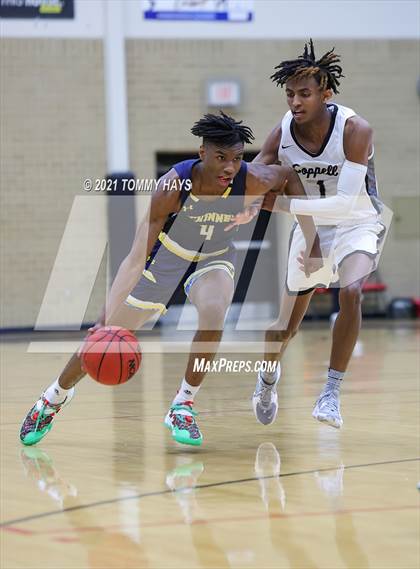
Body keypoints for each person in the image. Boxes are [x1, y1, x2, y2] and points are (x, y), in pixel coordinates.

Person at [20, 111, 320, 448]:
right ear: (201, 153)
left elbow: (288, 176)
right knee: (105, 339)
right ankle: (52, 398)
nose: (229, 168)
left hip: (215, 255)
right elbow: (135, 259)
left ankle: (183, 405)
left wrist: (311, 241)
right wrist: (105, 317)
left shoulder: (250, 178)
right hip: (168, 257)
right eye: (221, 158)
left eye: (236, 159)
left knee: (214, 312)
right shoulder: (172, 187)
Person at [252, 40, 385, 429]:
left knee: (351, 291)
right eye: (290, 93)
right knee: (284, 327)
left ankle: (330, 392)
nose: (295, 101)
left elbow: (345, 205)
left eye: (304, 93)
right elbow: (259, 168)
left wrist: (277, 206)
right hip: (310, 226)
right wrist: (240, 195)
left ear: (326, 94)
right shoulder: (283, 130)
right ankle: (267, 379)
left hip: (358, 220)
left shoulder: (355, 129)